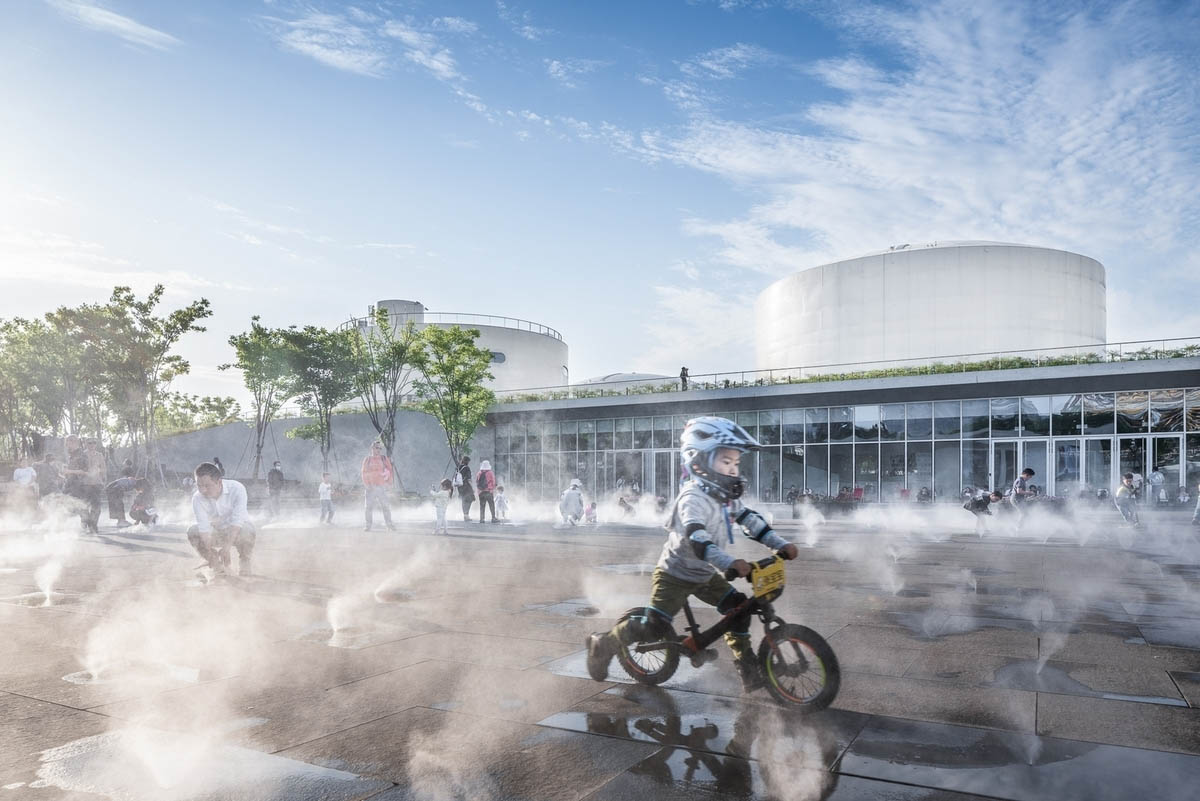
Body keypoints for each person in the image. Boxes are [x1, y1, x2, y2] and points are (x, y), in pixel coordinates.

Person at [586, 417, 799, 693]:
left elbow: (751, 521)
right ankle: (603, 644)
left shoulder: (726, 496)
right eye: (726, 462)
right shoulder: (692, 498)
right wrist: (729, 563)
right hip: (675, 573)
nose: (733, 469)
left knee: (739, 610)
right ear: (698, 462)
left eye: (736, 463)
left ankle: (747, 668)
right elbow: (700, 541)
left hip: (704, 575)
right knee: (654, 626)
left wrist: (779, 544)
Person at [188, 461, 255, 577]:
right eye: (199, 486)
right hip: (216, 532)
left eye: (207, 486)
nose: (203, 490)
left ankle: (244, 561)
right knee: (193, 531)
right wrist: (210, 554)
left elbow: (237, 521)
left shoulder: (237, 489)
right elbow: (204, 529)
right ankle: (216, 566)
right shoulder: (197, 498)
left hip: (237, 531)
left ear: (219, 482)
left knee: (247, 530)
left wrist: (226, 548)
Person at [361, 442, 395, 531]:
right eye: (377, 448)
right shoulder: (367, 459)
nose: (379, 450)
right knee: (368, 507)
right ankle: (368, 525)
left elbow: (390, 471)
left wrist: (389, 483)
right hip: (370, 487)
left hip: (381, 487)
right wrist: (366, 484)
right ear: (372, 448)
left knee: (385, 506)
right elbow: (363, 473)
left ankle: (389, 525)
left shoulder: (384, 459)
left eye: (380, 448)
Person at [456, 456, 475, 521]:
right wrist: (472, 487)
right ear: (467, 461)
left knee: (463, 501)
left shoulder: (458, 467)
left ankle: (465, 515)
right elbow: (469, 479)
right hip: (466, 487)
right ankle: (466, 515)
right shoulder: (467, 468)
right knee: (469, 500)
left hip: (460, 487)